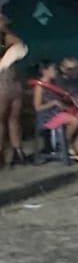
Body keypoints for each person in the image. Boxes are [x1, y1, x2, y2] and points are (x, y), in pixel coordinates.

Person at [32, 61, 78, 160]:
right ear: (45, 71)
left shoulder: (55, 83)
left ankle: (77, 143)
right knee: (74, 121)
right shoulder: (39, 86)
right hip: (47, 116)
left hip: (59, 112)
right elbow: (37, 107)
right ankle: (63, 144)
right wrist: (53, 103)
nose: (56, 71)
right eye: (53, 69)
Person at [0, 24, 25, 167]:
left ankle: (1, 155)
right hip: (15, 83)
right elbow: (19, 44)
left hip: (2, 84)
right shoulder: (9, 40)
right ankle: (18, 152)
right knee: (13, 119)